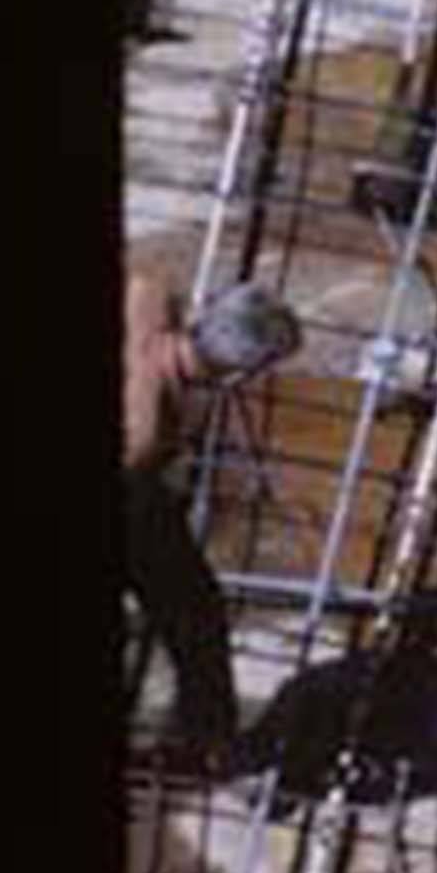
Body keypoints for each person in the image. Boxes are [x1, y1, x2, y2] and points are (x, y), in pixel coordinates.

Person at [123, 266, 302, 774]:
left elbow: (146, 276)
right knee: (193, 614)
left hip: (142, 496)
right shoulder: (145, 425)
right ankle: (203, 740)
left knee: (194, 610)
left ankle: (206, 735)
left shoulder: (147, 304)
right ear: (240, 373)